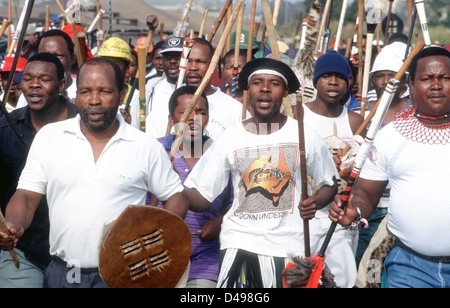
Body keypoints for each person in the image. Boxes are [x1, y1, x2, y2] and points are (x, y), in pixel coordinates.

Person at [0, 57, 188, 288]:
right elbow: (27, 196)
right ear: (75, 95)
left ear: (121, 94)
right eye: (86, 91)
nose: (94, 100)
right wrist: (14, 224)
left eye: (105, 91)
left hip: (123, 275)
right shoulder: (49, 138)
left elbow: (176, 196)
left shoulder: (145, 146)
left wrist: (154, 239)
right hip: (65, 272)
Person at [184, 57, 339, 288]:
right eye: (257, 83)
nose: (265, 89)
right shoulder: (230, 138)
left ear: (285, 92)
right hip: (239, 243)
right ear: (248, 90)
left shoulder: (304, 135)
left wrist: (314, 201)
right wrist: (170, 192)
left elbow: (330, 183)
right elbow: (201, 195)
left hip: (290, 248)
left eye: (274, 84)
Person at [329, 46, 450, 288]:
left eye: (445, 78)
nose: (436, 85)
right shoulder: (389, 136)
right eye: (427, 78)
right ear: (411, 86)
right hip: (410, 267)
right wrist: (356, 211)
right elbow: (365, 193)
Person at [0, 53, 79, 288]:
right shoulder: (4, 128)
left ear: (62, 84)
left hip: (76, 258)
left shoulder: (86, 126)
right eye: (27, 78)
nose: (34, 85)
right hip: (22, 252)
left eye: (44, 79)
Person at [146, 85, 233, 288]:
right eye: (185, 113)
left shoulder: (222, 155)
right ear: (171, 120)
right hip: (158, 256)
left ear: (208, 118)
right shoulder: (153, 151)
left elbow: (237, 202)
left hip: (206, 257)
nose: (193, 119)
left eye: (201, 112)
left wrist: (221, 222)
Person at [302, 49, 365, 287]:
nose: (333, 82)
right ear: (316, 80)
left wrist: (348, 169)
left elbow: (364, 173)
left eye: (339, 76)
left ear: (348, 82)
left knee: (340, 279)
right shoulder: (297, 115)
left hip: (339, 215)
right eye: (326, 75)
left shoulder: (355, 121)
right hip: (305, 212)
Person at [354, 41, 412, 268]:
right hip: (370, 207)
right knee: (365, 266)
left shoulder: (414, 115)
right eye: (380, 75)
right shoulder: (361, 117)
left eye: (393, 74)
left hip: (399, 206)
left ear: (405, 80)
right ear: (372, 80)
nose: (387, 80)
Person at [185, 38, 249, 141]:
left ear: (213, 65)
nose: (193, 67)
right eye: (188, 61)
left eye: (200, 61)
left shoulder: (236, 110)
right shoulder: (167, 103)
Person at [127, 36, 184, 136]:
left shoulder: (195, 90)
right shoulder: (150, 89)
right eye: (168, 57)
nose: (173, 61)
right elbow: (135, 123)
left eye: (178, 57)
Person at [16, 29, 76, 107]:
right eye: (44, 55)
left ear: (72, 59)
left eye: (57, 56)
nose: (51, 61)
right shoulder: (29, 96)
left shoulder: (83, 91)